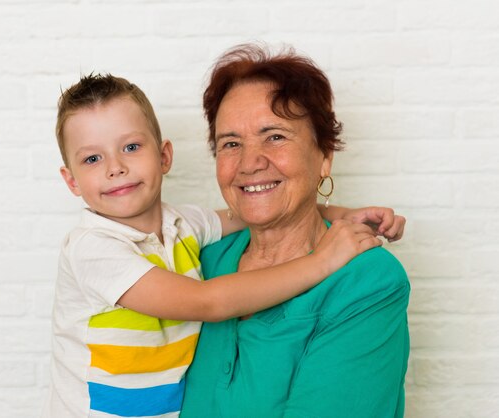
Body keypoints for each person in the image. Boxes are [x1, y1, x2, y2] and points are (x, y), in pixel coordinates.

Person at [41, 73, 405, 418]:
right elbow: (208, 301)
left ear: (164, 156)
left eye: (131, 147)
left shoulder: (185, 229)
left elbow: (251, 210)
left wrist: (345, 215)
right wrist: (321, 262)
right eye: (92, 159)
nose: (115, 167)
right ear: (71, 181)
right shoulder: (94, 249)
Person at [180, 44, 410, 418]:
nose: (250, 163)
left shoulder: (368, 281)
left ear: (324, 156)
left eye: (275, 136)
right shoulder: (198, 258)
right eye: (231, 143)